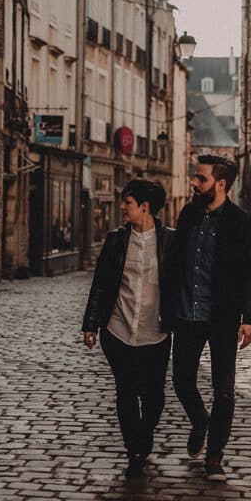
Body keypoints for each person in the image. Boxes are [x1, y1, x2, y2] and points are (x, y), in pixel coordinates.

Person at [167, 154, 251, 482]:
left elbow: (249, 272)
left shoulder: (239, 222)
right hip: (187, 314)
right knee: (181, 380)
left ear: (221, 184)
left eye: (200, 178)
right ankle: (199, 420)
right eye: (195, 176)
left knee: (224, 390)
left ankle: (215, 454)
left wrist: (249, 317)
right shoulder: (189, 214)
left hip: (221, 316)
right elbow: (176, 262)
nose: (194, 182)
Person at [82, 178, 174, 480]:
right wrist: (91, 324)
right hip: (118, 328)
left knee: (154, 395)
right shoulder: (116, 240)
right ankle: (133, 448)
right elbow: (101, 284)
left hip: (155, 332)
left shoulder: (171, 241)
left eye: (128, 203)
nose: (122, 207)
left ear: (144, 207)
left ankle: (144, 436)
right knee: (125, 390)